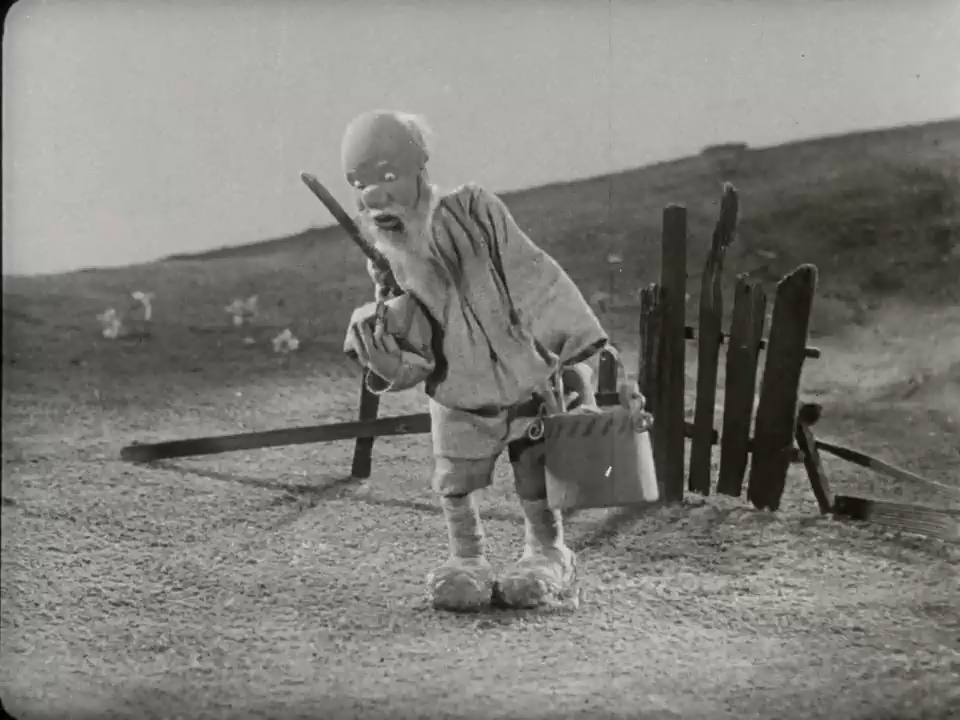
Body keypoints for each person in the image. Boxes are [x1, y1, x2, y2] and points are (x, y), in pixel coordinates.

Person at [342, 110, 609, 611]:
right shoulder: (388, 250)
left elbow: (532, 273)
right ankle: (466, 559)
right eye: (359, 184)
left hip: (521, 371)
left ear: (419, 166)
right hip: (457, 386)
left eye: (387, 175)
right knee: (456, 479)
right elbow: (408, 327)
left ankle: (548, 553)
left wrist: (576, 344)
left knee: (533, 466)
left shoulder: (474, 209)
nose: (373, 196)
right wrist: (388, 337)